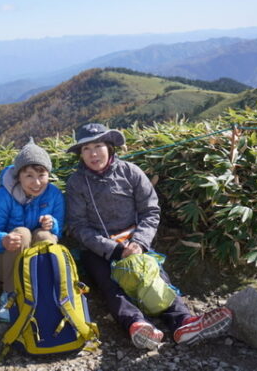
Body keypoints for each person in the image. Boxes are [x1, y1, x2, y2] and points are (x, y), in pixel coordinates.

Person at [64, 123, 232, 350]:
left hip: (135, 243)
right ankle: (136, 324)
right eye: (86, 149)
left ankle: (183, 322)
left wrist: (139, 242)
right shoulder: (76, 183)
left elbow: (150, 211)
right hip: (98, 249)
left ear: (110, 147)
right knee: (110, 284)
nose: (93, 153)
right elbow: (78, 225)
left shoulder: (130, 172)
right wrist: (112, 249)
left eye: (99, 146)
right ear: (80, 154)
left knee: (155, 276)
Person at [0, 138, 65, 322]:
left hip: (32, 262)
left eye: (41, 175)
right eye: (29, 175)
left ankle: (46, 291)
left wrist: (53, 224)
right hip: (1, 262)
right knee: (22, 233)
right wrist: (3, 240)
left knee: (45, 235)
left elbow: (59, 232)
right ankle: (11, 295)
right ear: (18, 176)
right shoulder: (2, 196)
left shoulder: (54, 195)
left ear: (48, 175)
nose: (36, 182)